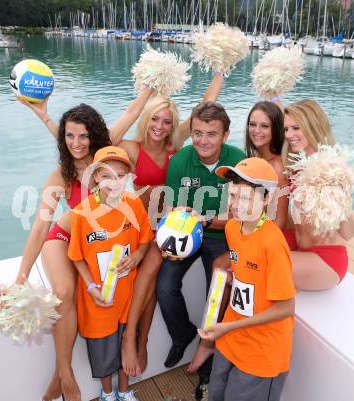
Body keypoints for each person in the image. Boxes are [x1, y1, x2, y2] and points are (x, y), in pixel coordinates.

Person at [14, 88, 152, 401]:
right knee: (63, 292)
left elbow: (130, 114)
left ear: (95, 137)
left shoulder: (107, 159)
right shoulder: (59, 175)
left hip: (95, 243)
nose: (77, 143)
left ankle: (58, 377)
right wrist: (22, 275)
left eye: (83, 136)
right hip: (63, 237)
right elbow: (41, 227)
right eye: (70, 137)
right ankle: (65, 374)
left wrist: (150, 87)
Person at [111, 74, 225, 377]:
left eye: (166, 121)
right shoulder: (131, 149)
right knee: (150, 273)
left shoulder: (175, 145)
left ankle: (140, 338)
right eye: (155, 120)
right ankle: (131, 338)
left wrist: (220, 73)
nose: (160, 127)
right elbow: (106, 140)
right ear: (146, 119)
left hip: (165, 229)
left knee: (152, 272)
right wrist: (145, 93)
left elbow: (205, 107)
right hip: (138, 226)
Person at [156, 101, 246, 400]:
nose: (203, 141)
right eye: (197, 133)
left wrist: (207, 219)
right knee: (165, 285)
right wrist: (177, 217)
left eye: (211, 134)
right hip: (187, 232)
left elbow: (242, 213)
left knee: (217, 295)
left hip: (222, 236)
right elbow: (169, 206)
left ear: (225, 135)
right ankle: (182, 335)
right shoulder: (181, 160)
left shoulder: (237, 161)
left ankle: (207, 371)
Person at [198, 157, 296, 401]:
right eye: (232, 196)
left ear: (266, 199)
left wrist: (228, 326)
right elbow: (245, 270)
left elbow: (286, 307)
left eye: (245, 198)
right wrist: (232, 276)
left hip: (260, 350)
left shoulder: (273, 243)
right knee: (216, 395)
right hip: (231, 340)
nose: (236, 205)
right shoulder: (233, 227)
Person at [68, 146, 153, 401]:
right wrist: (91, 287)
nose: (113, 182)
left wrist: (137, 256)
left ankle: (124, 391)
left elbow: (145, 240)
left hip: (127, 296)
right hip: (99, 301)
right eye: (106, 176)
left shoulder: (134, 204)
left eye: (120, 175)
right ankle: (107, 393)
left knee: (125, 347)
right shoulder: (82, 213)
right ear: (95, 177)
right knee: (104, 352)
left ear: (128, 177)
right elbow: (77, 257)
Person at [282, 99, 354, 290]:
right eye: (286, 129)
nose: (289, 135)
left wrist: (339, 199)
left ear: (311, 125)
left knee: (260, 265)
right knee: (250, 249)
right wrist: (274, 95)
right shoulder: (298, 165)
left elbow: (348, 233)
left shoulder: (330, 168)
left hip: (326, 258)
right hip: (299, 247)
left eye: (296, 128)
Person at [245, 101, 289, 229]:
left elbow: (280, 220)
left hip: (274, 236)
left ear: (275, 129)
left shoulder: (278, 168)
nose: (256, 131)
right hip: (255, 228)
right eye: (252, 124)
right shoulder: (255, 157)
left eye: (264, 126)